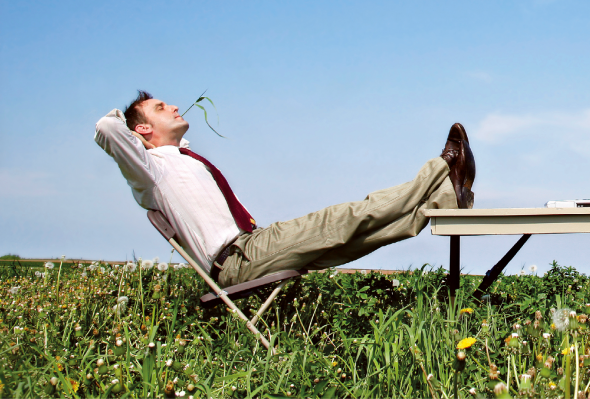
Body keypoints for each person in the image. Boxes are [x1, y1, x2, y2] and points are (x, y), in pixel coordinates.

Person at [94, 90, 475, 287]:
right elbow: (107, 128)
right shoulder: (150, 170)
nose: (175, 106)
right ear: (142, 129)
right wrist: (135, 138)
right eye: (161, 107)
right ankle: (444, 165)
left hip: (252, 246)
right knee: (346, 216)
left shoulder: (181, 159)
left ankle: (447, 197)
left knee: (362, 236)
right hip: (239, 258)